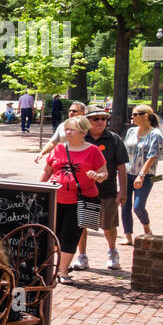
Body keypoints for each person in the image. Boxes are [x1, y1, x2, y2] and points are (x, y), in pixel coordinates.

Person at [40, 115, 107, 284]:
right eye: (66, 129)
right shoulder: (58, 148)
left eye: (72, 129)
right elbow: (48, 171)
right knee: (51, 234)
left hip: (79, 201)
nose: (67, 132)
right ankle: (51, 267)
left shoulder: (93, 151)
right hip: (55, 198)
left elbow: (104, 173)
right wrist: (38, 189)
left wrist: (97, 175)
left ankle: (62, 272)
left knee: (69, 236)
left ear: (83, 131)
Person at [76, 107, 128, 270]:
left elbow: (121, 167)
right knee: (82, 224)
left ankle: (113, 252)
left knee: (108, 225)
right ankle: (82, 256)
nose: (100, 122)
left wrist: (123, 191)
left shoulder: (114, 139)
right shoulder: (81, 138)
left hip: (107, 191)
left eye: (103, 119)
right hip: (83, 191)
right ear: (87, 121)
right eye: (95, 118)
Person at [122, 104, 163, 247]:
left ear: (146, 116)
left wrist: (141, 175)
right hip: (127, 173)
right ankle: (128, 235)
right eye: (132, 114)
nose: (132, 117)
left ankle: (146, 227)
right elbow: (124, 151)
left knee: (138, 207)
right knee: (124, 205)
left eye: (136, 114)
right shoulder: (131, 131)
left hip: (145, 176)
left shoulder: (155, 134)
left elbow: (152, 156)